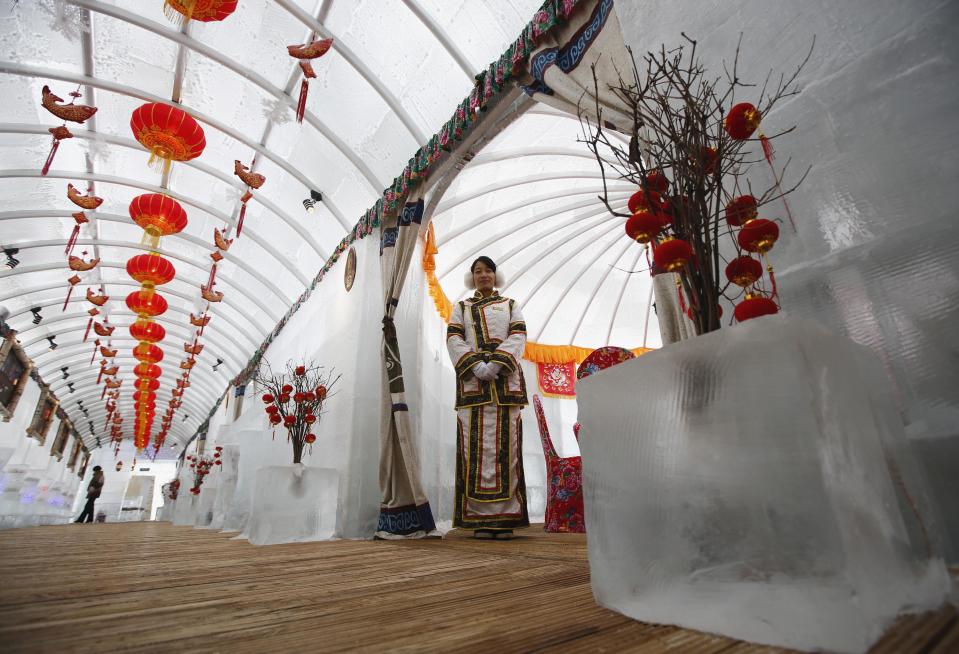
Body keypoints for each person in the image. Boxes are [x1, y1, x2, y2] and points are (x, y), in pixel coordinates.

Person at [446, 256, 529, 539]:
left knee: (508, 449)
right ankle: (479, 519)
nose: (483, 275)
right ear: (472, 277)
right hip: (473, 386)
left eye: (488, 270)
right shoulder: (461, 308)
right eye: (478, 271)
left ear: (496, 275)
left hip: (505, 385)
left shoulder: (510, 305)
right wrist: (476, 366)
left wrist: (496, 364)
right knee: (474, 449)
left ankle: (505, 519)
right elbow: (453, 338)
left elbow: (518, 335)